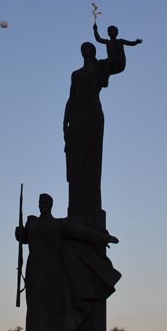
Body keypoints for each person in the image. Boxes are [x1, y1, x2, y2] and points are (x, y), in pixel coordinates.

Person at [15, 193, 120, 331]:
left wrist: (104, 237)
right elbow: (23, 237)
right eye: (40, 203)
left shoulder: (58, 225)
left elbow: (82, 233)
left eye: (45, 202)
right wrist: (19, 232)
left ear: (51, 205)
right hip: (34, 272)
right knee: (35, 315)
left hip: (52, 272)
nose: (42, 205)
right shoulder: (33, 223)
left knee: (53, 313)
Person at [63, 42, 111, 219]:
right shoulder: (76, 75)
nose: (86, 50)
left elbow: (118, 63)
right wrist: (65, 121)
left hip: (93, 117)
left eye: (89, 47)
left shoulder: (100, 67)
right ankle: (76, 207)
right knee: (76, 162)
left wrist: (113, 42)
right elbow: (71, 98)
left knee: (92, 162)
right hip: (77, 118)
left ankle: (92, 207)